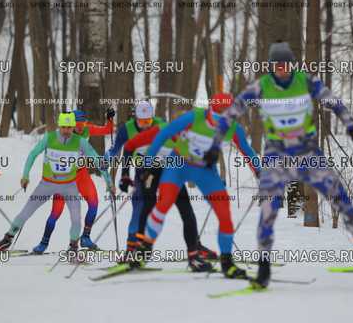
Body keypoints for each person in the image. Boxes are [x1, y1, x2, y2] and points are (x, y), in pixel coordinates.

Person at [204, 41, 353, 289]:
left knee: (341, 199)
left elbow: (334, 102)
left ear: (292, 65)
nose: (282, 69)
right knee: (268, 210)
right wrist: (214, 146)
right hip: (277, 155)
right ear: (271, 67)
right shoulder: (261, 86)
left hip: (307, 152)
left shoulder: (306, 81)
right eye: (277, 65)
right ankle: (263, 268)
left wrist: (352, 129)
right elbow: (230, 114)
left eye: (286, 65)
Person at [139, 93, 259, 279]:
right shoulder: (194, 117)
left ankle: (227, 263)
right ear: (210, 111)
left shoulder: (234, 128)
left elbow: (247, 150)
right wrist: (147, 163)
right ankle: (143, 250)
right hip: (178, 165)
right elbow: (164, 133)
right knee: (164, 203)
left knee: (224, 211)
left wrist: (259, 172)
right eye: (217, 117)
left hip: (204, 171)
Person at [0, 112, 110, 252]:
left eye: (69, 127)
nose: (66, 131)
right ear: (59, 126)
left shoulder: (80, 141)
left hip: (69, 186)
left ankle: (73, 247)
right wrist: (25, 176)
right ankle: (7, 239)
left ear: (73, 127)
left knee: (76, 219)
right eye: (63, 127)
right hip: (47, 184)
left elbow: (97, 160)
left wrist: (109, 182)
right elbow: (33, 154)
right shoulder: (49, 138)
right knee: (26, 212)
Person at [122, 103, 218, 272]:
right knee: (148, 205)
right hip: (152, 172)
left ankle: (194, 256)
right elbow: (129, 146)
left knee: (186, 210)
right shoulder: (160, 130)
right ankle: (139, 250)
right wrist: (125, 173)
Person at [33, 107, 115, 253]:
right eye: (77, 124)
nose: (79, 127)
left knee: (94, 203)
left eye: (82, 124)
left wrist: (109, 119)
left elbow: (107, 130)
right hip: (64, 177)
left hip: (81, 174)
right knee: (56, 212)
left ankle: (86, 237)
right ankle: (43, 243)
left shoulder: (87, 130)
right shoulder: (62, 135)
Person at [103, 100, 166, 254]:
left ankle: (195, 247)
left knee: (180, 203)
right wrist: (109, 162)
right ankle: (131, 248)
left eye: (148, 121)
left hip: (164, 170)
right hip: (142, 173)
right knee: (139, 208)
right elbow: (117, 150)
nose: (145, 125)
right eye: (142, 121)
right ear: (136, 118)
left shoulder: (161, 125)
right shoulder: (127, 129)